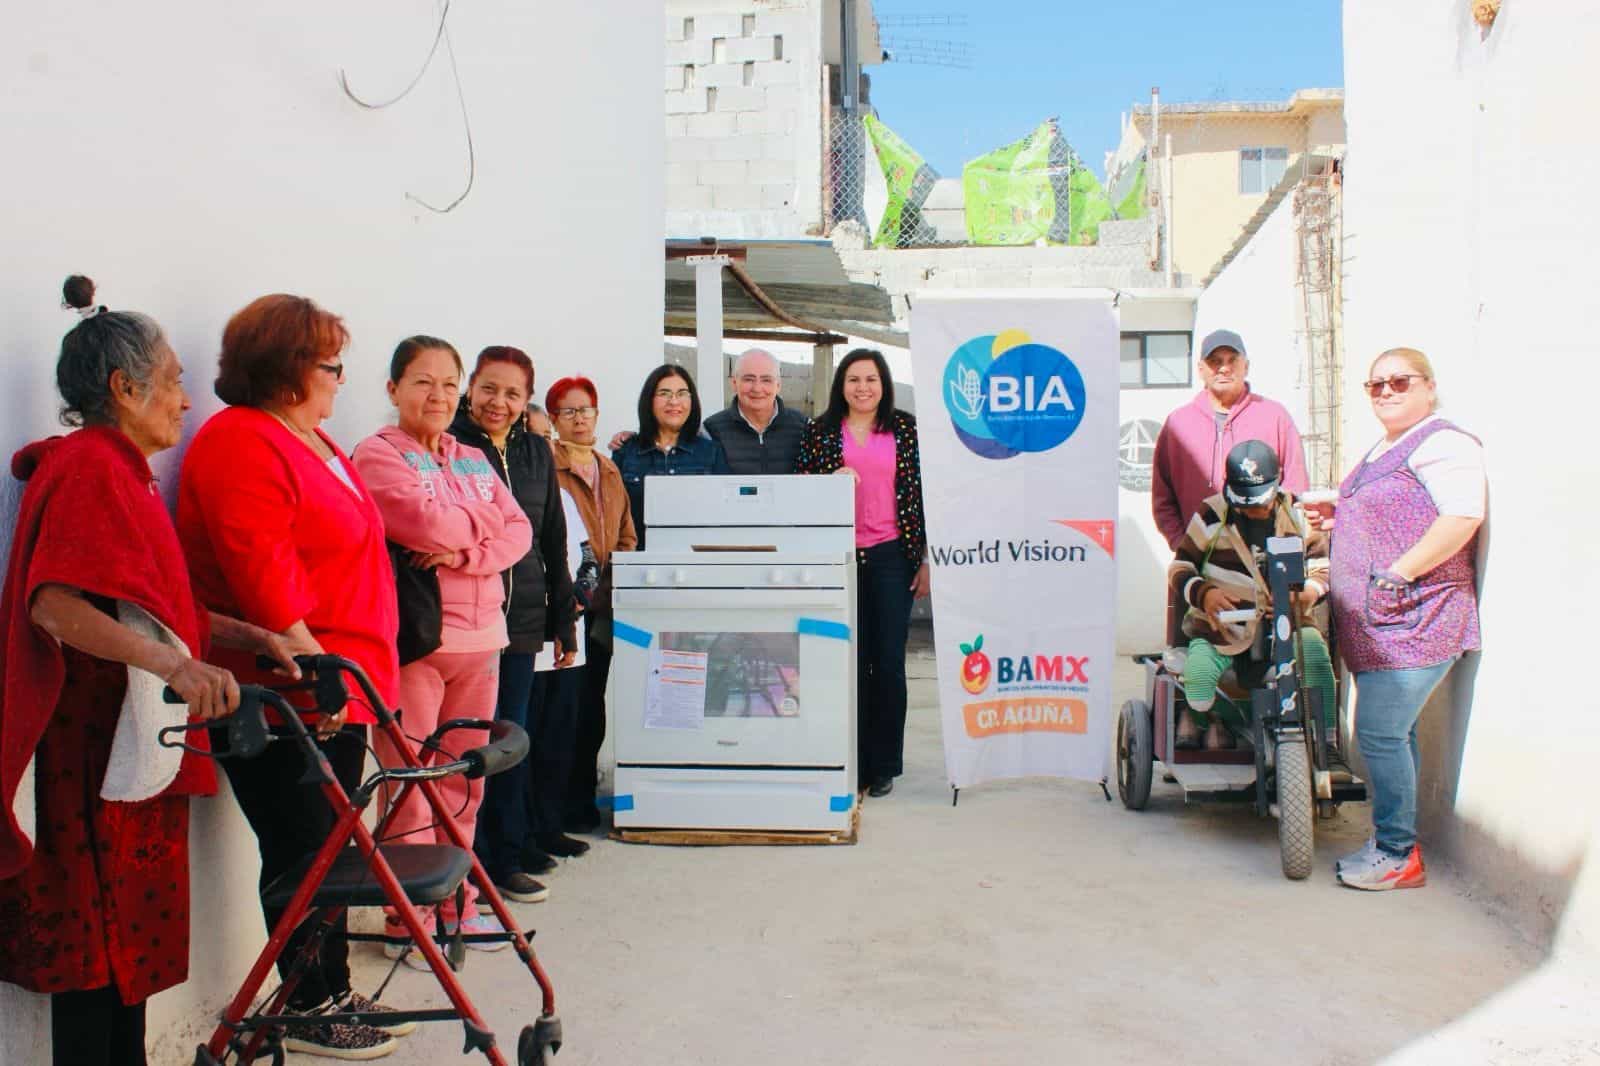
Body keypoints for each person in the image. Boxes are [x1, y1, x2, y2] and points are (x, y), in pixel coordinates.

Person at [0, 278, 291, 1066]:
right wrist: (177, 665)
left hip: (122, 748)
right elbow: (53, 605)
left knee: (120, 953)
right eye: (171, 382)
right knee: (100, 954)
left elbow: (152, 604)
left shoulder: (121, 469)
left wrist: (249, 634)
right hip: (93, 758)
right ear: (123, 389)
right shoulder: (90, 467)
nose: (185, 401)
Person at [178, 293, 406, 1059]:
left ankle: (329, 991)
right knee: (303, 851)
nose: (342, 380)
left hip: (339, 684)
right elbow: (263, 576)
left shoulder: (310, 438)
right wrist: (321, 676)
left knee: (329, 850)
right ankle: (309, 1008)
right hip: (289, 694)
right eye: (331, 365)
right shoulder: (240, 442)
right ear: (287, 368)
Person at [352, 337, 532, 954]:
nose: (438, 396)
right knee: (411, 787)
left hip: (483, 643)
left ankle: (458, 905)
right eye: (423, 382)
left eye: (449, 383)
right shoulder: (377, 455)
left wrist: (461, 549)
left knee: (462, 784)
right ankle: (409, 923)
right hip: (418, 645)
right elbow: (420, 521)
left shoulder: (471, 457)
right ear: (394, 388)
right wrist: (471, 527)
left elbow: (520, 529)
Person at [1307, 349, 1484, 892]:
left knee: (1380, 734)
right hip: (1381, 626)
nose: (1386, 391)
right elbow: (1398, 506)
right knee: (1395, 735)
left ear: (1428, 386)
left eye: (1399, 381)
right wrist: (1344, 512)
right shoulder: (1389, 448)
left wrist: (1398, 574)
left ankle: (1398, 854)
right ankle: (1393, 842)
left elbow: (1462, 514)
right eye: (1376, 384)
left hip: (1415, 621)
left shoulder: (1444, 443)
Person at [448, 345, 582, 899]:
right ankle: (463, 865)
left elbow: (552, 538)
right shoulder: (452, 447)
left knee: (510, 739)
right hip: (467, 623)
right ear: (470, 388)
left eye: (511, 394)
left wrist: (563, 620)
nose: (497, 403)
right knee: (464, 749)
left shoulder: (535, 452)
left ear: (526, 400)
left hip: (522, 624)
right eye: (488, 389)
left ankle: (503, 856)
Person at [795, 348, 929, 798]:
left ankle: (885, 763)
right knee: (845, 660)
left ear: (884, 384)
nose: (863, 388)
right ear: (841, 385)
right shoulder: (820, 431)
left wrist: (927, 558)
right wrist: (831, 476)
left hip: (893, 556)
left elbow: (928, 494)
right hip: (840, 556)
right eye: (854, 380)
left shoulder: (906, 429)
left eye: (871, 379)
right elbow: (801, 488)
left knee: (887, 662)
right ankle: (849, 758)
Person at [1167, 440, 1336, 750]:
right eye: (1245, 503)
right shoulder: (1212, 513)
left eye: (1261, 501)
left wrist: (1308, 596)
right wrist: (1205, 595)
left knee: (1316, 659)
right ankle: (1211, 720)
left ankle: (1327, 744)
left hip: (1288, 625)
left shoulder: (1299, 515)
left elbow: (1321, 569)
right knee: (1200, 680)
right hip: (1222, 627)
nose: (1254, 510)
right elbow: (1180, 567)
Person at [546, 376, 637, 833]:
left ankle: (582, 800)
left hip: (600, 607)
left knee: (592, 707)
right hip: (562, 607)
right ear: (555, 419)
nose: (580, 419)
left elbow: (626, 535)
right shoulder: (547, 462)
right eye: (569, 411)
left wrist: (602, 589)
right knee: (560, 710)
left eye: (587, 410)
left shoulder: (610, 467)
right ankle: (554, 807)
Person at [1151, 329, 1310, 551]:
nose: (1224, 368)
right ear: (1200, 370)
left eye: (1232, 360)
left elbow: (1295, 486)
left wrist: (1281, 545)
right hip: (1200, 559)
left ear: (1246, 366)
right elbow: (1162, 497)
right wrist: (1184, 547)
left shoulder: (1274, 416)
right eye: (1214, 361)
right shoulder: (1178, 423)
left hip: (1263, 558)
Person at [610, 349, 809, 474]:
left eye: (766, 380)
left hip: (791, 532)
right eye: (748, 379)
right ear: (734, 383)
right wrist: (632, 438)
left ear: (779, 385)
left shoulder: (804, 428)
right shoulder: (712, 430)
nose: (757, 388)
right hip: (735, 533)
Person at [611, 364, 730, 548]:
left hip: (696, 564)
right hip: (637, 563)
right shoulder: (626, 452)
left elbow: (725, 514)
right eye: (664, 393)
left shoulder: (711, 452)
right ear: (649, 400)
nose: (674, 401)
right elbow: (611, 516)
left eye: (682, 393)